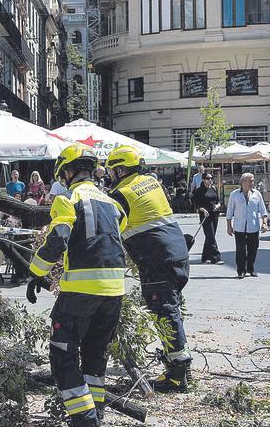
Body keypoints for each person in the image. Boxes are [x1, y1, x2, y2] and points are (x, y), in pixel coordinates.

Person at [25, 143, 127, 427]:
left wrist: (36, 272)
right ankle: (97, 411)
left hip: (80, 294)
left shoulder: (67, 200)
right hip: (115, 293)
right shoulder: (114, 204)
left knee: (62, 356)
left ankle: (84, 420)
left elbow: (58, 238)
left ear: (68, 172)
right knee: (95, 355)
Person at [106, 145, 192, 393]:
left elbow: (110, 228)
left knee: (164, 313)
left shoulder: (121, 194)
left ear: (120, 169)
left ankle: (177, 376)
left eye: (112, 170)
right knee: (172, 312)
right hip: (178, 254)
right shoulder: (152, 183)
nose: (110, 175)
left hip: (157, 260)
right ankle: (180, 366)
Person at [226, 173, 268, 278]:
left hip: (253, 227)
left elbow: (263, 210)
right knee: (240, 250)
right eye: (250, 181)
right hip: (239, 227)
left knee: (253, 249)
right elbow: (229, 211)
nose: (252, 183)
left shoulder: (257, 194)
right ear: (243, 181)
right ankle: (241, 271)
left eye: (253, 181)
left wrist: (264, 222)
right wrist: (229, 226)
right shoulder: (234, 194)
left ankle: (251, 268)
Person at [192, 174, 222, 264]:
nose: (210, 180)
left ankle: (205, 257)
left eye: (211, 178)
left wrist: (218, 205)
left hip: (214, 214)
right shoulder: (199, 190)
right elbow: (196, 204)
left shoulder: (213, 188)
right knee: (210, 236)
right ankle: (215, 257)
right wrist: (203, 210)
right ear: (203, 180)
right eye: (208, 178)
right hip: (205, 215)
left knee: (210, 236)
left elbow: (218, 200)